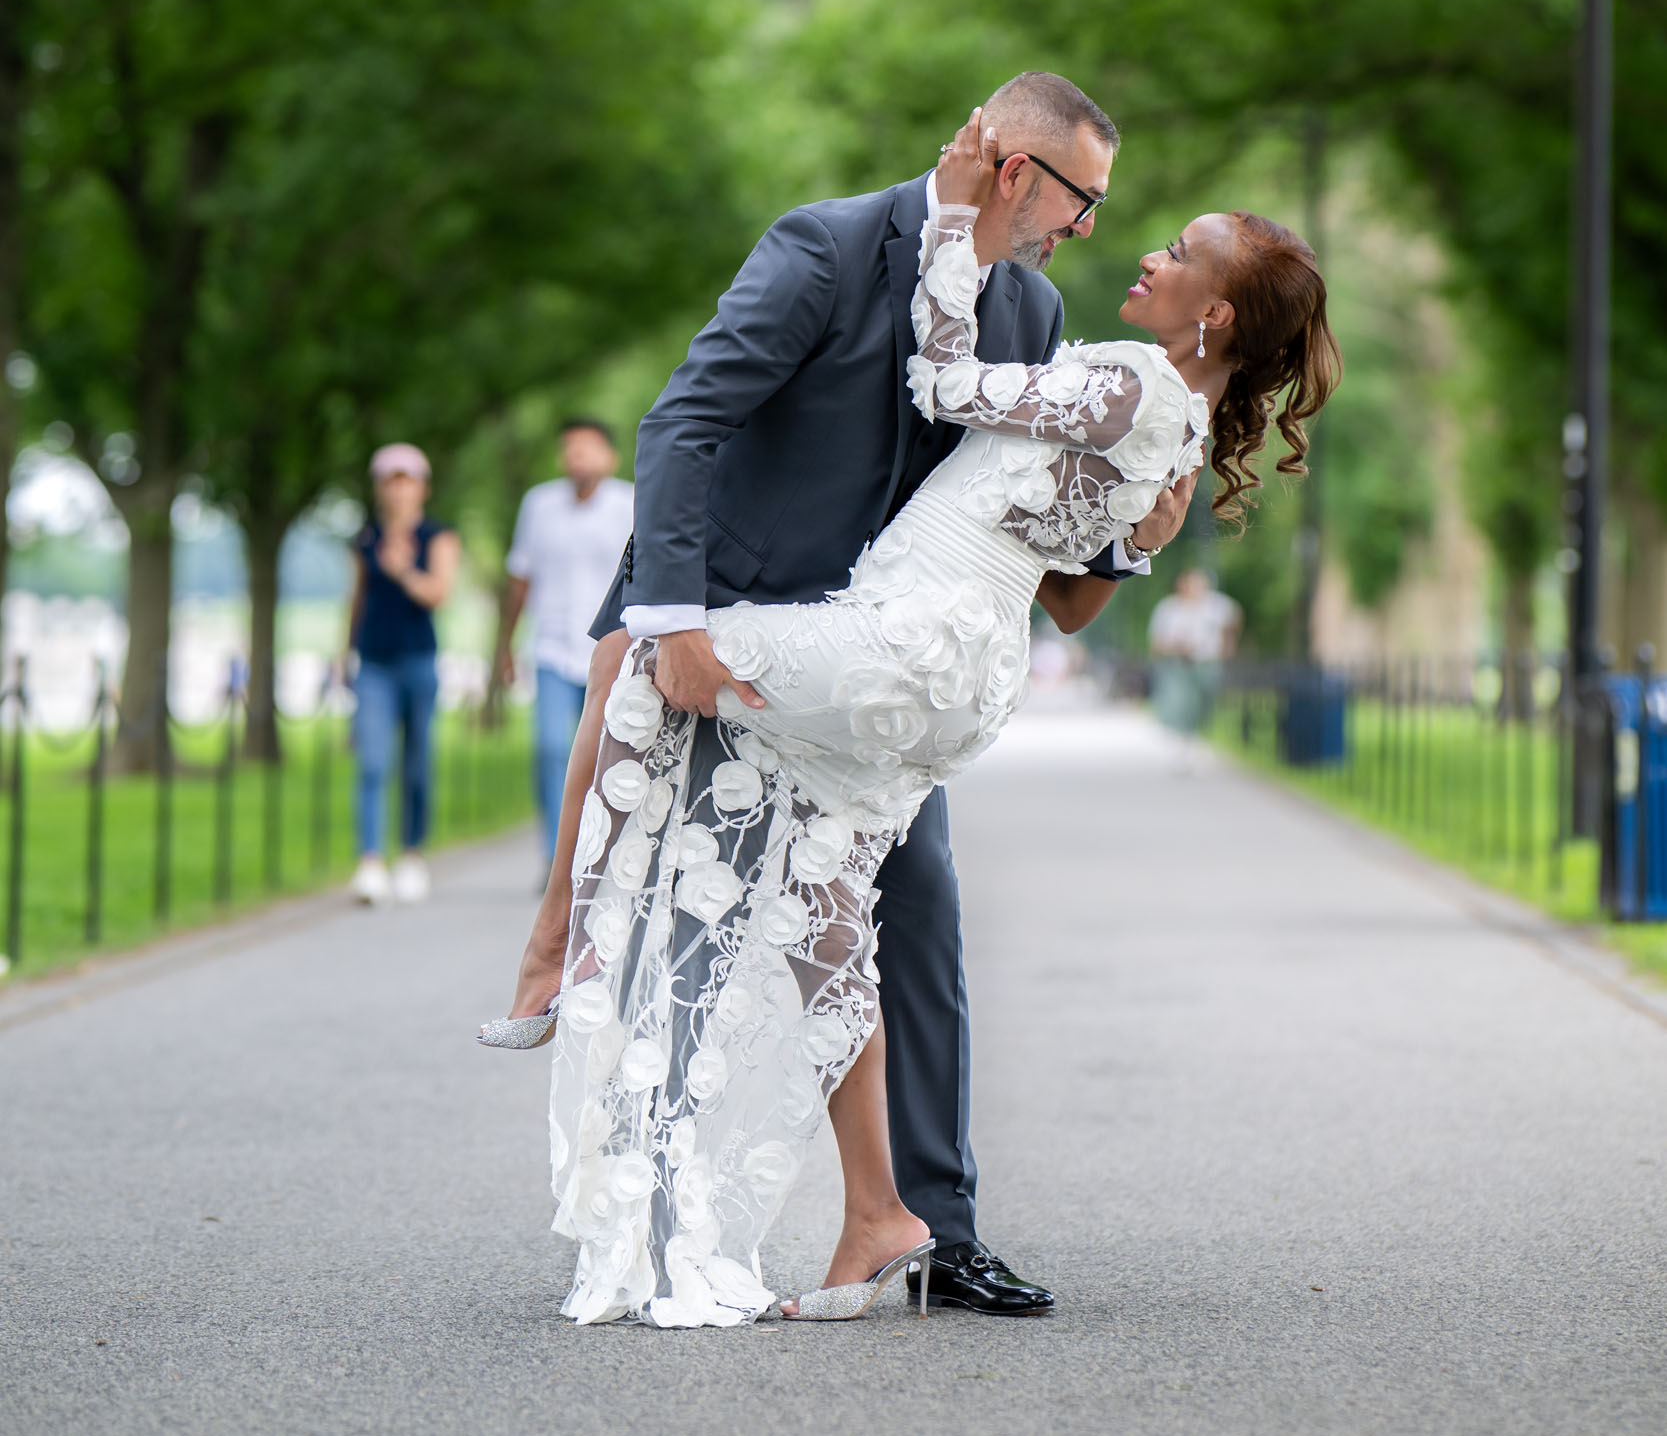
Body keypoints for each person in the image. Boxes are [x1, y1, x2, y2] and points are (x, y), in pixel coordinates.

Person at [488, 89, 1338, 1324]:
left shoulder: (1042, 316)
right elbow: (685, 420)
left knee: (913, 923)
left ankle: (933, 1224)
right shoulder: (823, 247)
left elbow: (1057, 572)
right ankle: (609, 1017)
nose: (1094, 231)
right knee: (785, 897)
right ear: (1010, 172)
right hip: (782, 612)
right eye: (1080, 198)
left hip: (887, 661)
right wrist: (672, 610)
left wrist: (1132, 542)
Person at [497, 421, 635, 872]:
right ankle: (556, 856)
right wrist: (504, 645)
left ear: (609, 458)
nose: (579, 459)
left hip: (613, 650)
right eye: (571, 450)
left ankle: (604, 852)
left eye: (588, 450)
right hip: (554, 648)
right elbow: (520, 578)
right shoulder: (539, 505)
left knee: (608, 751)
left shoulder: (629, 502)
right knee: (551, 748)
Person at [345, 443, 460, 908]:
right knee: (373, 761)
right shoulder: (365, 538)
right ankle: (370, 860)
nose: (399, 490)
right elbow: (356, 598)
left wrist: (403, 571)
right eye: (390, 481)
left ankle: (412, 855)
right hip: (374, 662)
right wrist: (344, 653)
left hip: (418, 661)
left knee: (416, 762)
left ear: (422, 487)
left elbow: (438, 592)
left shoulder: (438, 536)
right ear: (379, 488)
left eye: (406, 480)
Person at [1148, 564, 1244, 737]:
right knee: (1181, 703)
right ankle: (1184, 736)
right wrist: (1176, 648)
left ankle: (1203, 732)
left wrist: (1229, 645)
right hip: (1180, 664)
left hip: (1208, 662)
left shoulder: (1217, 604)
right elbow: (1157, 641)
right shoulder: (1169, 608)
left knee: (1207, 700)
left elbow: (1234, 618)